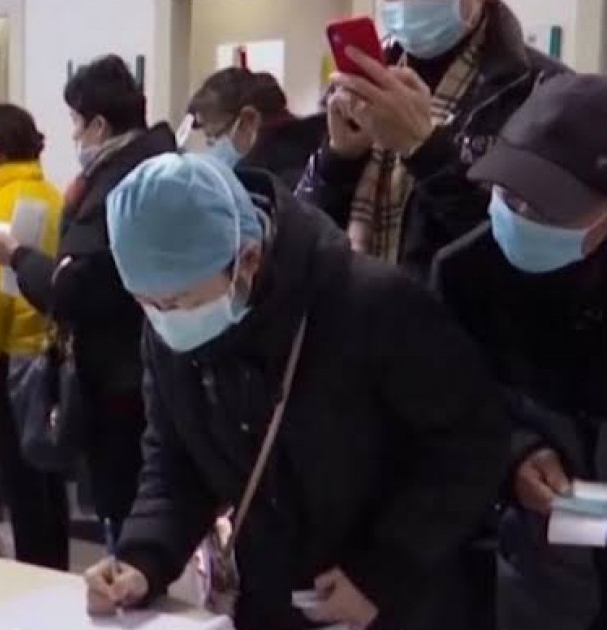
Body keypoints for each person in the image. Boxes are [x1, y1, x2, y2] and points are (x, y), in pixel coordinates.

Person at [84, 153, 508, 630]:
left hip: (398, 604)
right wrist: (143, 558)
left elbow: (469, 445)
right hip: (272, 603)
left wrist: (383, 571)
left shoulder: (370, 304)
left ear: (247, 259)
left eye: (181, 300)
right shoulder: (168, 333)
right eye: (147, 303)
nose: (166, 318)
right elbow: (173, 460)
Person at [433, 74, 607, 630]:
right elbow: (453, 402)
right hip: (541, 566)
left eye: (547, 210)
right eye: (509, 196)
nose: (522, 216)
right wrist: (514, 454)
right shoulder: (465, 273)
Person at [0, 55, 175, 541]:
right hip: (133, 366)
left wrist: (17, 257)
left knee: (127, 510)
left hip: (121, 372)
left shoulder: (119, 182)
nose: (73, 135)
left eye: (76, 122)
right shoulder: (147, 166)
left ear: (99, 124)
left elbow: (75, 286)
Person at [297, 0, 566, 277]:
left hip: (450, 303)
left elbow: (534, 265)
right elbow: (299, 237)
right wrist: (338, 161)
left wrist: (426, 151)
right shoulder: (358, 79)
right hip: (355, 298)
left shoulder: (547, 92)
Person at [0, 103, 67, 569]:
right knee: (50, 479)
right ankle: (57, 573)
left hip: (11, 360)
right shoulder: (54, 195)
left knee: (21, 484)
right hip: (52, 352)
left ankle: (34, 577)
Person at [188, 67, 326, 186]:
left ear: (248, 120)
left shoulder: (268, 187)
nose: (212, 151)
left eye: (214, 138)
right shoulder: (314, 157)